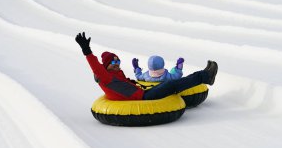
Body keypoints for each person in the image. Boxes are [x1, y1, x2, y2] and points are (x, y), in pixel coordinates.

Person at [75, 32, 218, 101]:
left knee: (171, 83)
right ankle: (206, 76)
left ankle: (204, 75)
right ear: (105, 66)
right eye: (113, 62)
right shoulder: (105, 77)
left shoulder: (117, 75)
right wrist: (87, 51)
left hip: (143, 92)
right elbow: (96, 67)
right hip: (143, 98)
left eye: (118, 61)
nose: (117, 64)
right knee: (172, 83)